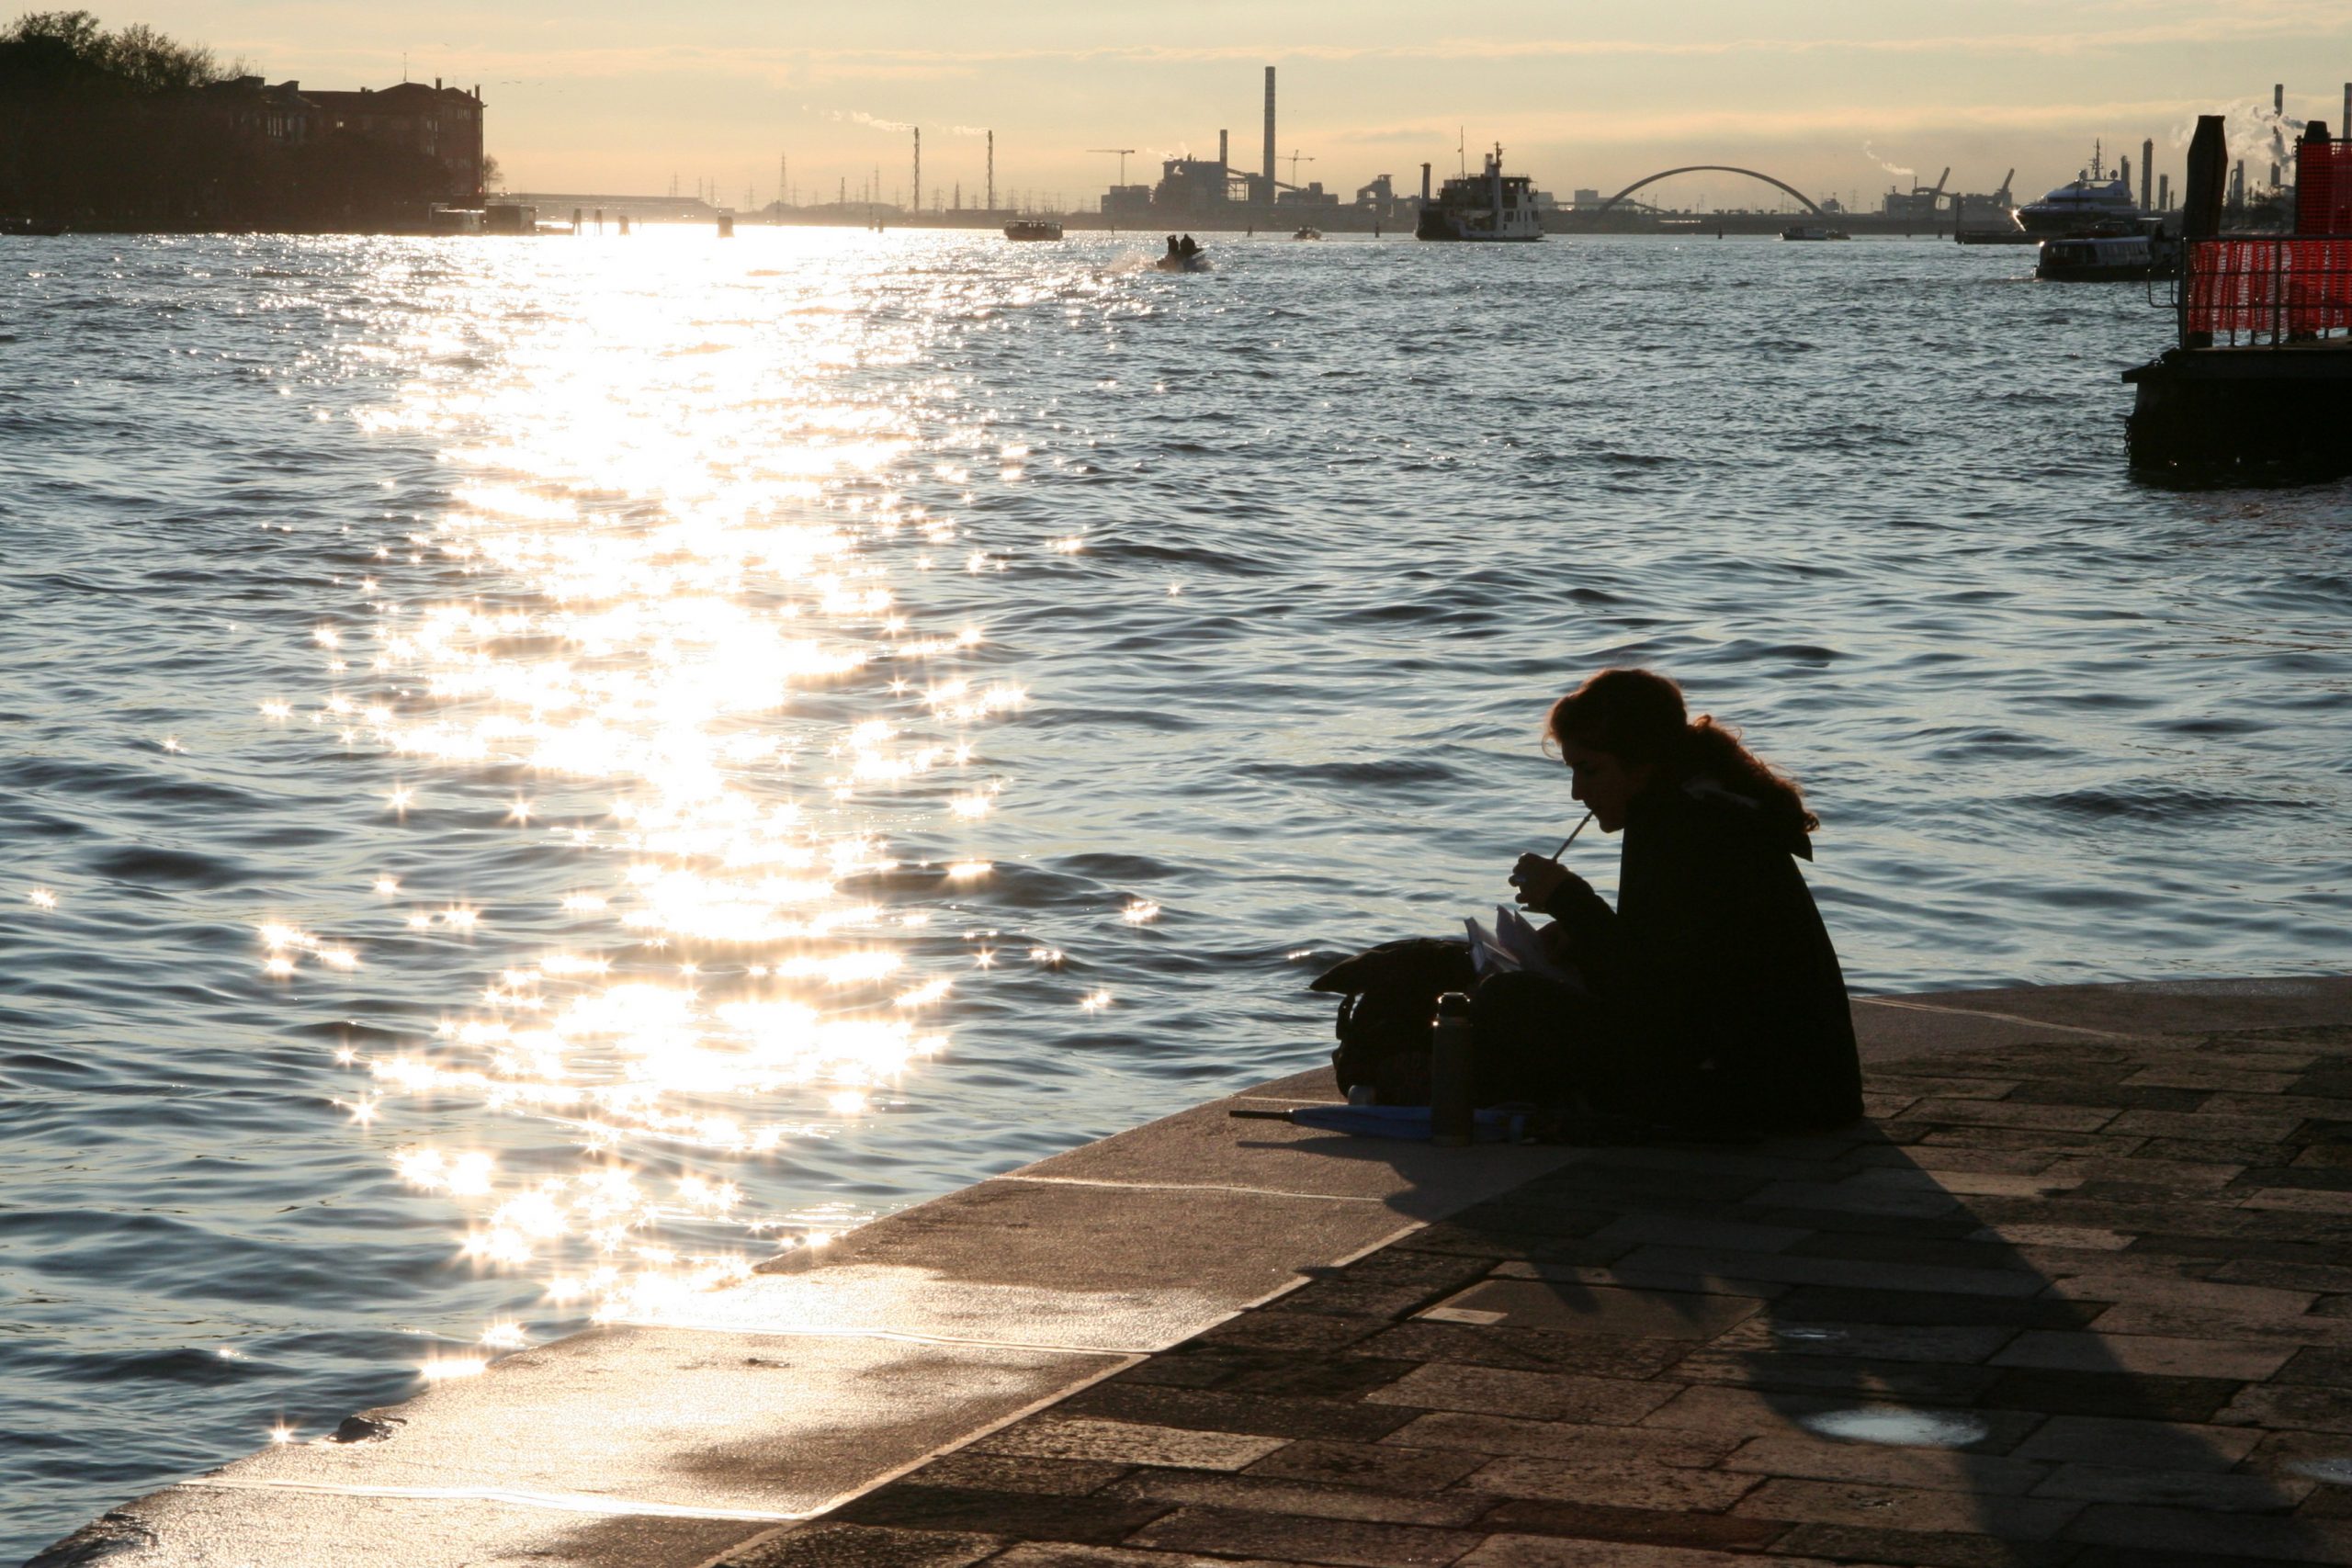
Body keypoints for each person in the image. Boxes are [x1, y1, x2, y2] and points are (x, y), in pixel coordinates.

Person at [1491, 668, 1862, 1135]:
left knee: (1509, 1001)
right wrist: (1582, 936)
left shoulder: (1689, 829)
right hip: (1802, 1087)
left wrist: (1572, 901)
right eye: (1573, 772)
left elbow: (1656, 1003)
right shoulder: (1690, 806)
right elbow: (1675, 963)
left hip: (1767, 1095)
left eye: (1590, 770)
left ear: (1640, 763)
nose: (1577, 792)